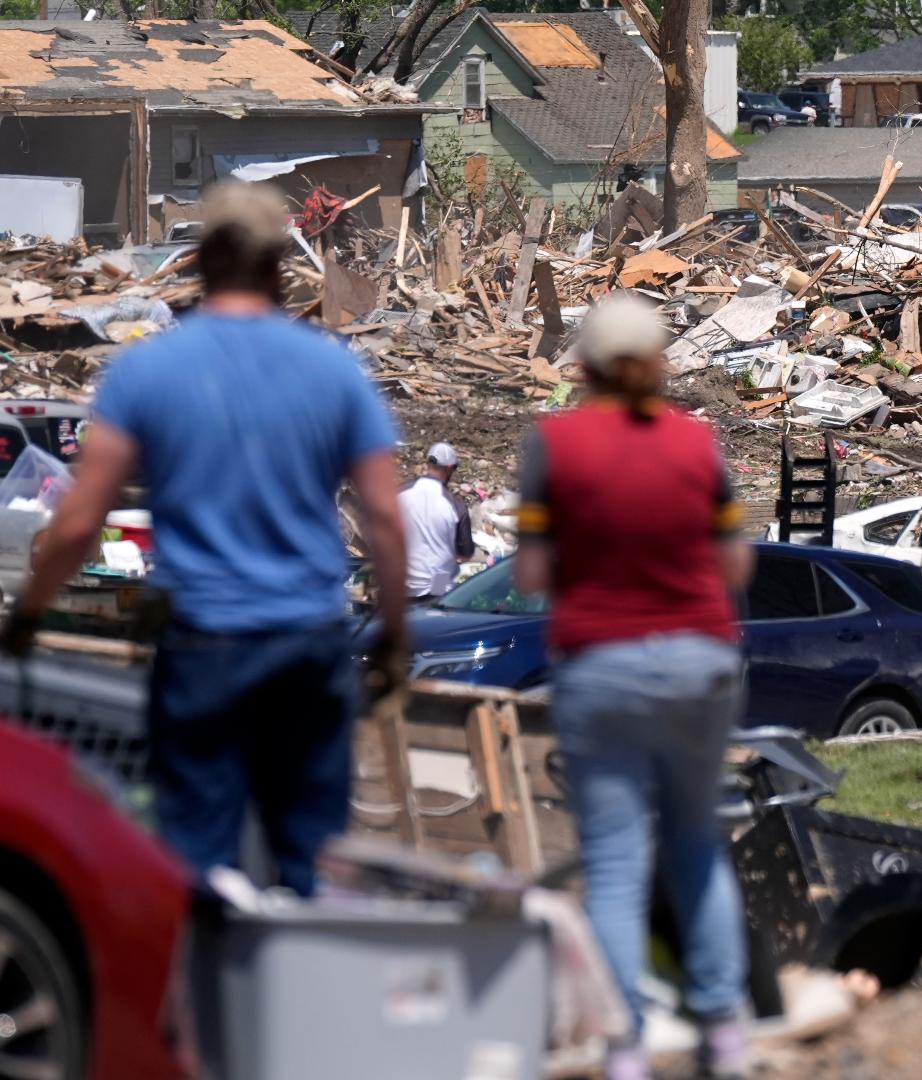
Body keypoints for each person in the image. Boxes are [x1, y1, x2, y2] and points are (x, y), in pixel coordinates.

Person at [0, 181, 412, 898]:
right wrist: (397, 631)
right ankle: (293, 989)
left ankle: (203, 997)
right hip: (309, 640)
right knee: (307, 856)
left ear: (202, 260)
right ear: (280, 266)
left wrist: (29, 613)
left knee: (195, 864)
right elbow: (383, 517)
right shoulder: (335, 369)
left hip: (203, 645)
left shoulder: (147, 369)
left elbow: (77, 519)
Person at [514, 293, 754, 1080]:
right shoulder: (698, 445)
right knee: (696, 843)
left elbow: (530, 574)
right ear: (658, 364)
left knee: (615, 863)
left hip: (602, 665)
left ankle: (626, 1049)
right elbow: (735, 566)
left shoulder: (554, 446)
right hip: (699, 661)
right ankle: (724, 1030)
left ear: (581, 365)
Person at [399, 441, 475, 601]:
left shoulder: (400, 493)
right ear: (449, 469)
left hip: (402, 583)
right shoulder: (455, 505)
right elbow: (466, 554)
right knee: (433, 620)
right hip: (438, 584)